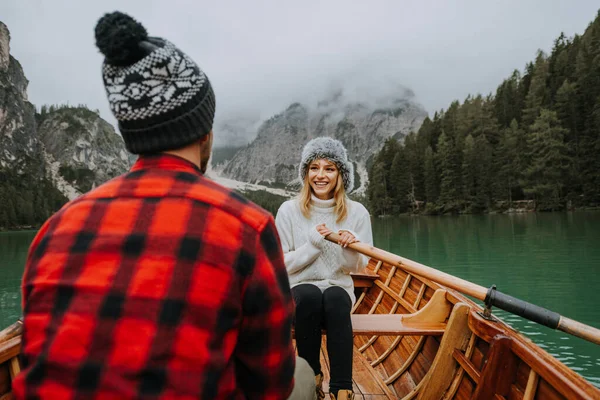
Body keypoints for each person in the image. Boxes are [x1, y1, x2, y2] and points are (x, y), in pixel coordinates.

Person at [13, 11, 315, 400]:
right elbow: (269, 384)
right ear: (206, 133)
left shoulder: (56, 227)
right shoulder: (246, 226)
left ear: (130, 134)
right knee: (303, 375)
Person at [275, 137, 374, 400]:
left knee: (334, 298)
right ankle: (313, 375)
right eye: (314, 168)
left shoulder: (357, 212)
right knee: (308, 296)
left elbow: (358, 267)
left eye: (329, 168)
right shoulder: (288, 211)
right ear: (306, 173)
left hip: (337, 287)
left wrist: (349, 247)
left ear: (341, 174)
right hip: (299, 289)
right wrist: (312, 246)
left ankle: (342, 388)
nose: (321, 175)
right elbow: (280, 266)